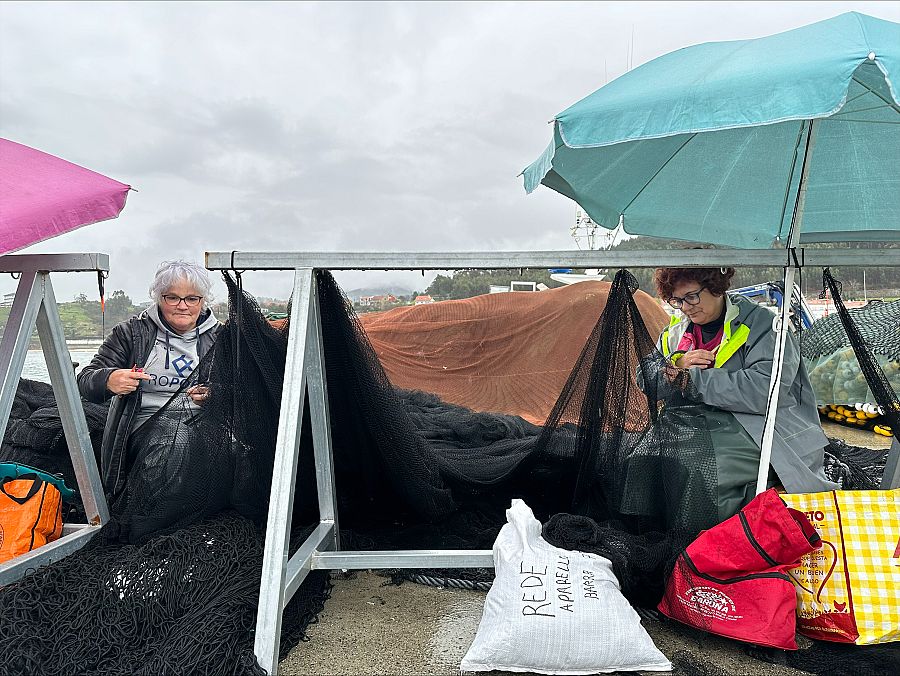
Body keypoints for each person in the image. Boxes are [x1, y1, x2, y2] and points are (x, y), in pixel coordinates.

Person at [651, 266, 836, 521]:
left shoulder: (765, 326)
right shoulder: (675, 330)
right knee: (647, 457)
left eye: (692, 296)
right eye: (676, 300)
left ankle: (716, 540)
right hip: (706, 425)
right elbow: (645, 377)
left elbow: (765, 391)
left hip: (766, 429)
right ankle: (670, 534)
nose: (686, 307)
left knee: (705, 466)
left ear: (716, 286)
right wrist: (678, 365)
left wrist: (690, 381)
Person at [78, 260, 222, 499]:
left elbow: (243, 390)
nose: (182, 306)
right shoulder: (130, 333)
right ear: (159, 298)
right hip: (144, 427)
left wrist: (216, 394)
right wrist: (109, 379)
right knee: (174, 442)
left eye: (192, 299)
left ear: (203, 300)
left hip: (204, 422)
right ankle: (151, 516)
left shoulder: (222, 337)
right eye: (172, 298)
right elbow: (84, 381)